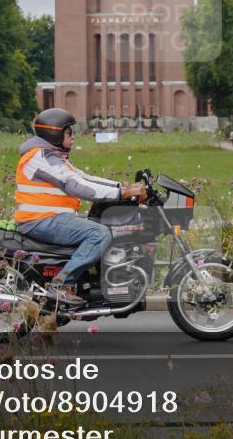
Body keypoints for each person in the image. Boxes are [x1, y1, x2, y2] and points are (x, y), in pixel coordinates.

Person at [15, 108, 147, 308]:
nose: (74, 136)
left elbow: (83, 177)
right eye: (69, 132)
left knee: (99, 225)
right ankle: (60, 286)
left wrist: (123, 187)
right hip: (40, 220)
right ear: (55, 133)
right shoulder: (39, 157)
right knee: (100, 234)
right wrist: (121, 193)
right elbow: (75, 185)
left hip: (50, 218)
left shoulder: (52, 156)